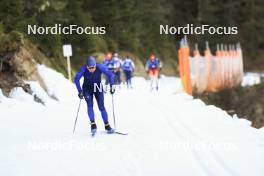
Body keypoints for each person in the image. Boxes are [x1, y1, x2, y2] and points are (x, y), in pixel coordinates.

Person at [74, 56, 115, 134]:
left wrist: (112, 86)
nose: (92, 70)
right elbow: (76, 79)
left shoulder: (100, 67)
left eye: (93, 67)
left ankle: (107, 126)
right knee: (90, 105)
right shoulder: (83, 69)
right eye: (90, 68)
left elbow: (111, 74)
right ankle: (93, 124)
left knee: (101, 107)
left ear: (95, 65)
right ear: (87, 66)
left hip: (97, 87)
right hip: (87, 88)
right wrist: (79, 91)